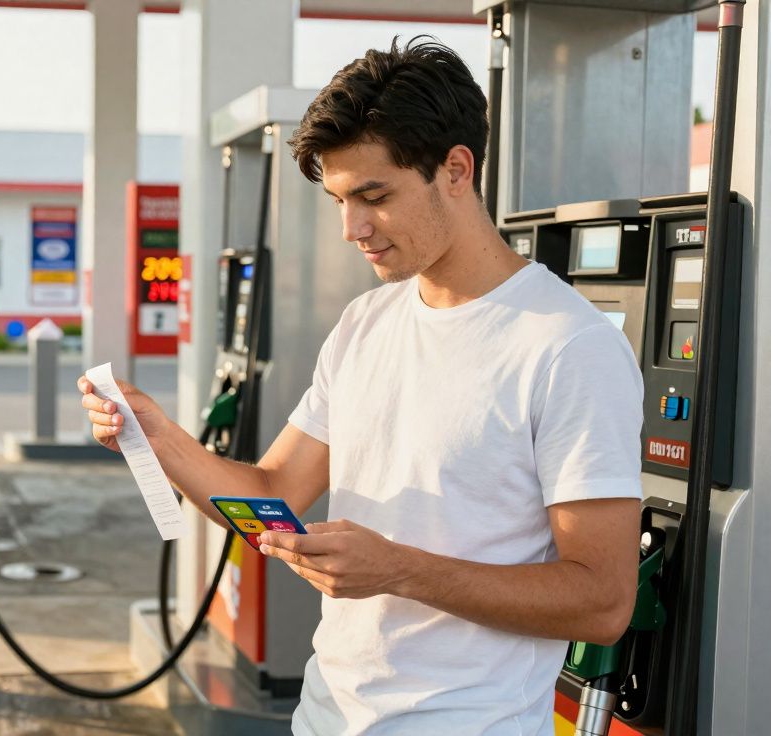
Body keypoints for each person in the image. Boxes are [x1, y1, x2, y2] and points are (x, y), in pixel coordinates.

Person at [79, 37, 643, 734]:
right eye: (341, 200)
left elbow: (603, 600)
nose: (352, 228)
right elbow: (271, 496)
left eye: (374, 196)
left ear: (456, 169)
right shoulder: (365, 322)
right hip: (324, 715)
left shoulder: (568, 345)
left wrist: (401, 570)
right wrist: (159, 437)